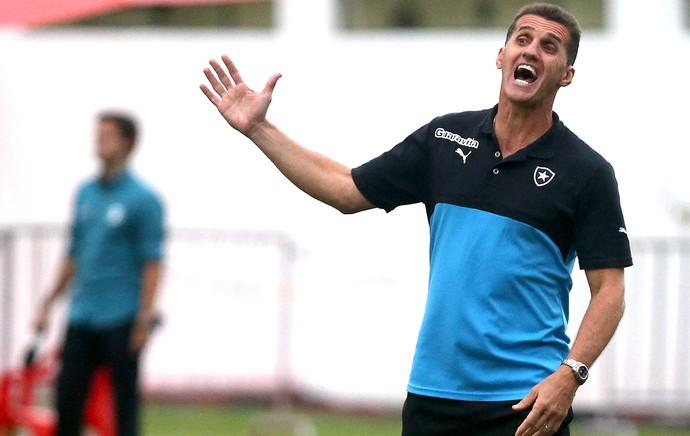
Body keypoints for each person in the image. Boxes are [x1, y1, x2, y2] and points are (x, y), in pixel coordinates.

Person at [199, 3, 632, 435]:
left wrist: (570, 376)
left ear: (566, 74)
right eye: (522, 40)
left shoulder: (586, 172)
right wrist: (259, 129)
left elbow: (609, 291)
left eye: (549, 47)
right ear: (501, 56)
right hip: (432, 396)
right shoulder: (444, 139)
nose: (532, 51)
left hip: (526, 403)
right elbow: (345, 189)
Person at [33, 111, 165, 436]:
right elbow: (73, 253)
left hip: (121, 317)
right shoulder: (85, 193)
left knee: (123, 409)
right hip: (82, 315)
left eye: (107, 135)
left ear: (128, 143)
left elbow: (153, 262)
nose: (99, 141)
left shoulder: (144, 200)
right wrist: (48, 303)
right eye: (98, 134)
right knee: (67, 401)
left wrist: (144, 319)